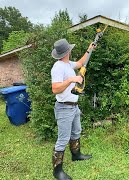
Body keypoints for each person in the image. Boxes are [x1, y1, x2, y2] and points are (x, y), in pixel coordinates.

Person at [50, 38, 95, 180]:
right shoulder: (58, 67)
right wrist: (71, 80)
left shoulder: (68, 64)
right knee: (63, 139)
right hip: (64, 108)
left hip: (74, 107)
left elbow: (81, 63)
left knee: (76, 131)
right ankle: (57, 172)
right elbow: (55, 89)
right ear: (68, 51)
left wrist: (90, 48)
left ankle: (76, 155)